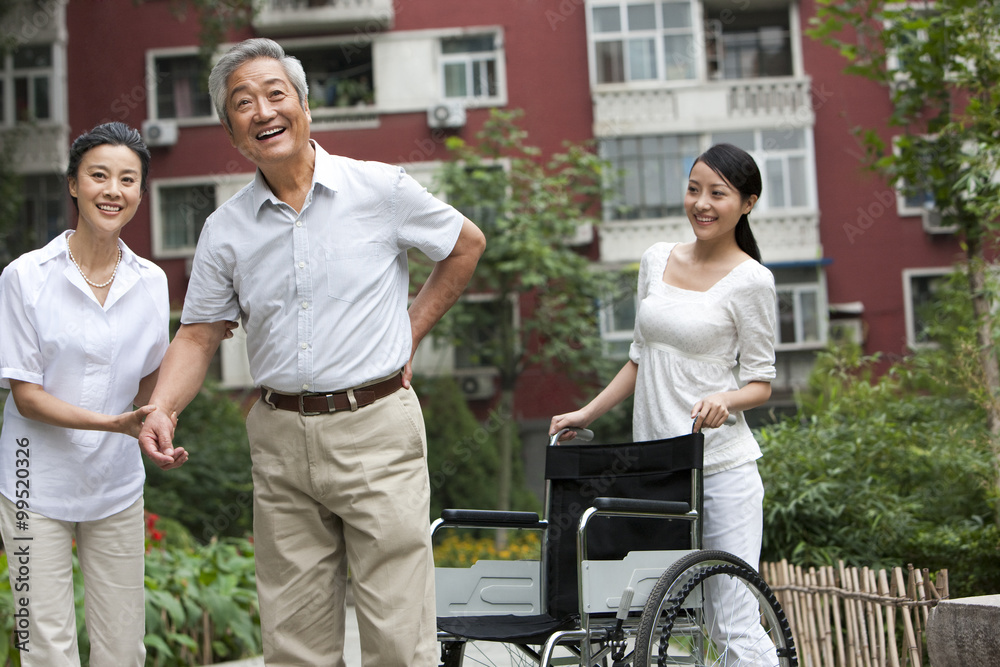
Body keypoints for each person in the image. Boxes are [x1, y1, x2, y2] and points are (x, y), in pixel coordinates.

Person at [137, 38, 486, 666]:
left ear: (303, 106)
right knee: (294, 641)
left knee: (398, 638)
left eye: (276, 93)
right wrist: (162, 406)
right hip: (279, 440)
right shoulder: (227, 229)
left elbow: (465, 244)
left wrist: (408, 330)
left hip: (376, 428)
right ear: (232, 131)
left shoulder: (380, 189)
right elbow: (197, 334)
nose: (263, 110)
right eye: (243, 103)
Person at [550, 143, 779, 664]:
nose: (701, 203)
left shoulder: (752, 281)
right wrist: (588, 412)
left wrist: (725, 397)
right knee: (642, 617)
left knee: (731, 623)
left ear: (747, 203)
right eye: (694, 189)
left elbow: (761, 383)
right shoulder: (657, 259)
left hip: (721, 469)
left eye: (717, 193)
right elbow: (639, 358)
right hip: (654, 472)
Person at [0, 122, 169, 666]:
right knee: (46, 647)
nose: (112, 190)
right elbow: (26, 396)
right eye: (99, 176)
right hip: (32, 483)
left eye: (128, 179)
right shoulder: (25, 278)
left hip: (115, 484)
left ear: (141, 193)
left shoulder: (152, 282)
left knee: (123, 647)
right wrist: (115, 424)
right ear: (74, 184)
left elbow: (150, 379)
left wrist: (153, 420)